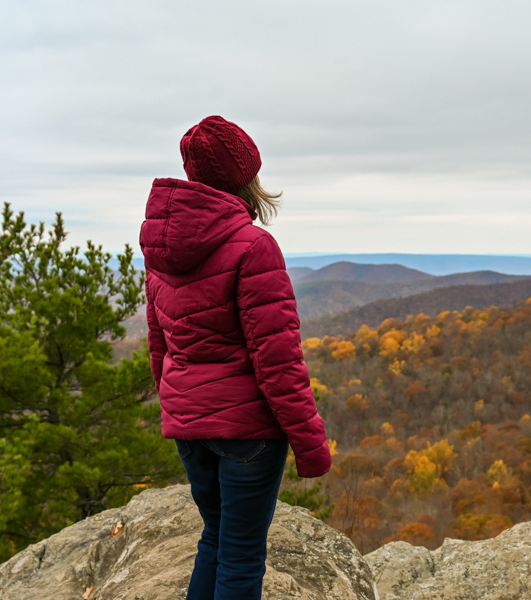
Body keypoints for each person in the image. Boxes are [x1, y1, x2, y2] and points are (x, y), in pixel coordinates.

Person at [139, 115, 331, 600]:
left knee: (215, 538)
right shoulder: (254, 247)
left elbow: (159, 346)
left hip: (190, 426)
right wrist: (311, 444)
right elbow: (279, 362)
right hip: (248, 433)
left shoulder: (160, 249)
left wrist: (179, 409)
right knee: (242, 554)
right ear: (245, 176)